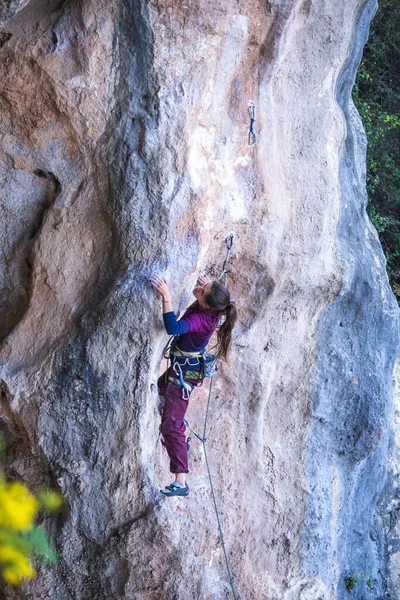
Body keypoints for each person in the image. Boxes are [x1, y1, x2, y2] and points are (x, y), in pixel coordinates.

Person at [150, 273, 237, 497]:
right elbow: (214, 295)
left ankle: (181, 481)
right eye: (204, 286)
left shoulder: (202, 319)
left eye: (202, 291)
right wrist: (207, 286)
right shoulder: (214, 308)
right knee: (161, 390)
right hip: (184, 368)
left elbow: (173, 328)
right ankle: (180, 442)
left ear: (207, 305)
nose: (198, 289)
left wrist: (166, 296)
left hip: (183, 375)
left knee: (171, 424)